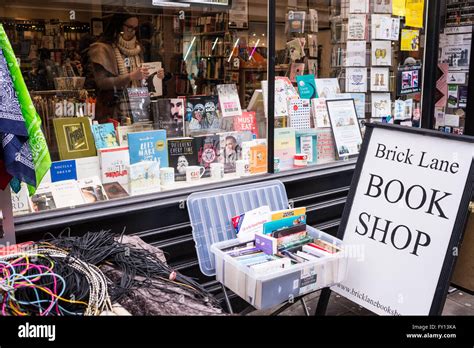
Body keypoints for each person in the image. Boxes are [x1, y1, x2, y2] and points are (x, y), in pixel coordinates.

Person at [88, 9, 164, 123]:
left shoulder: (140, 49)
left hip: (140, 106)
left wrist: (156, 75)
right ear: (119, 26)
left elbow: (144, 78)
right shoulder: (103, 49)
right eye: (129, 27)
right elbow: (102, 83)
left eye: (135, 28)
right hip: (114, 108)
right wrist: (130, 77)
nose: (132, 32)